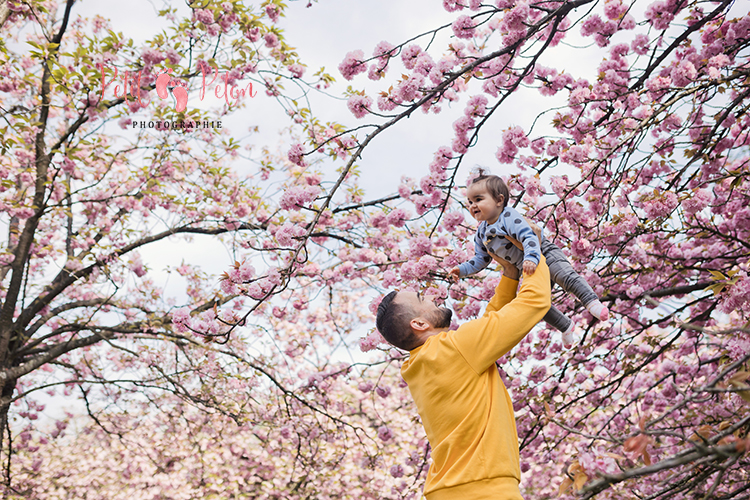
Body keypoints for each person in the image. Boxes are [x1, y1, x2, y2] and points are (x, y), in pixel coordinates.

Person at [376, 254, 550, 500]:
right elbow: (534, 303)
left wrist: (510, 274)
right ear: (419, 323)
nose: (430, 297)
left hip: (451, 490)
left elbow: (490, 325)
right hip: (484, 489)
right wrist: (534, 251)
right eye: (421, 299)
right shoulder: (454, 349)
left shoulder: (421, 363)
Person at [447, 168, 608, 347]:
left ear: (499, 200)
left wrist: (531, 257)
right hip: (529, 267)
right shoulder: (481, 233)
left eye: (478, 199)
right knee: (535, 303)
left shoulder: (507, 216)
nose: (473, 206)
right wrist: (461, 270)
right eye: (470, 202)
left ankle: (591, 301)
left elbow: (528, 236)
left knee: (563, 275)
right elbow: (480, 259)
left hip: (542, 253)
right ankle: (566, 326)